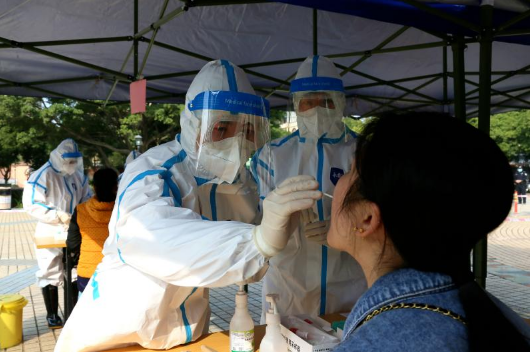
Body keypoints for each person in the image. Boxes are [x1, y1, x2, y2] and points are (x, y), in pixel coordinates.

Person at [55, 59, 322, 352]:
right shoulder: (154, 171)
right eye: (221, 128)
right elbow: (156, 239)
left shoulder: (236, 181)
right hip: (116, 335)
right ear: (193, 124)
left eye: (247, 130)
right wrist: (259, 239)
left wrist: (283, 221)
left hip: (188, 333)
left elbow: (245, 250)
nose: (236, 141)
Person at [329, 112, 530, 352]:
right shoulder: (498, 319)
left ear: (367, 218)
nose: (338, 181)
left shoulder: (381, 342)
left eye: (350, 170)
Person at [252, 55, 366, 319]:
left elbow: (381, 214)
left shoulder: (363, 152)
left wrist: (344, 228)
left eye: (325, 101)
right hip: (289, 285)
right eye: (308, 102)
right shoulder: (271, 156)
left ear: (339, 103)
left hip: (349, 283)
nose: (316, 109)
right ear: (296, 105)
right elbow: (257, 218)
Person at [23, 138, 92, 329]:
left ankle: (73, 312)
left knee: (73, 270)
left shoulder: (77, 175)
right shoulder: (43, 175)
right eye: (68, 161)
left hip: (74, 228)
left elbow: (88, 198)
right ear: (58, 158)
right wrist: (56, 215)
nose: (71, 165)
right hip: (50, 228)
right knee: (50, 269)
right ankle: (52, 315)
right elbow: (31, 203)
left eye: (74, 161)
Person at [66, 168, 118, 293]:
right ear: (116, 186)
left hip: (87, 274)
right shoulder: (123, 210)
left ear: (94, 187)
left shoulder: (80, 210)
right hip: (117, 272)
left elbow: (72, 244)